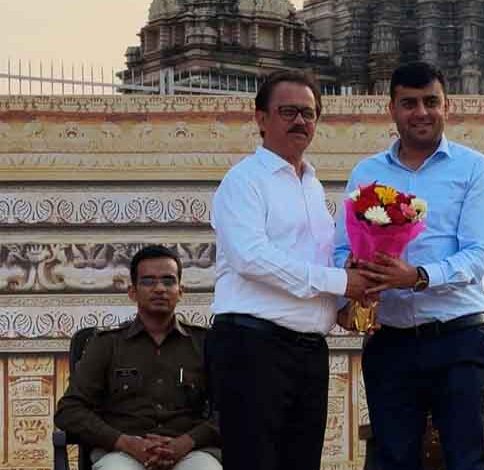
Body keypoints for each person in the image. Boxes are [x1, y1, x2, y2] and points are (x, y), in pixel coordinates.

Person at [334, 61, 484, 470]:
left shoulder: (474, 167)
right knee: (393, 460)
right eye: (409, 103)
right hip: (389, 343)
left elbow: (480, 253)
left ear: (447, 106)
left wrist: (418, 277)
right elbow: (341, 249)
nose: (421, 112)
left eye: (430, 102)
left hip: (456, 339)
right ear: (391, 109)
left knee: (465, 461)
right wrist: (356, 275)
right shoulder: (366, 173)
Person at [206, 69, 372, 470]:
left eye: (308, 113)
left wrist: (347, 305)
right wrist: (342, 281)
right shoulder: (244, 181)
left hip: (308, 352)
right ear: (261, 118)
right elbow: (250, 257)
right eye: (288, 112)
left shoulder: (313, 186)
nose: (300, 121)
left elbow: (314, 264)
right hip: (253, 348)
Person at [54, 245, 221, 470]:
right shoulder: (106, 344)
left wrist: (186, 442)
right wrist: (126, 443)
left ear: (181, 291)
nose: (159, 289)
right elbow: (69, 410)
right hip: (122, 453)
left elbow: (232, 408)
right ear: (132, 292)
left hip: (190, 452)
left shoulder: (204, 343)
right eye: (148, 281)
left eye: (168, 281)